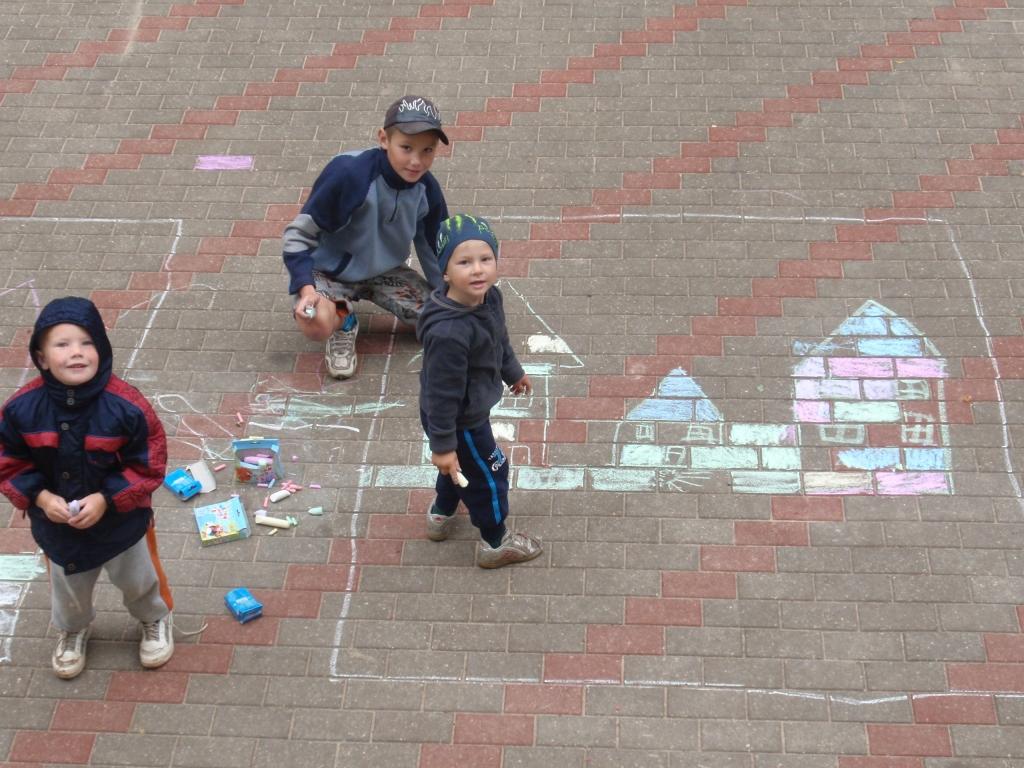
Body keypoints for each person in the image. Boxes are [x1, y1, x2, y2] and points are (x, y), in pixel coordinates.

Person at [0, 297, 173, 679]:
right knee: (69, 589)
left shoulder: (127, 407)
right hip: (57, 526)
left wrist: (106, 498)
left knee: (139, 581)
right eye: (62, 345)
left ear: (102, 349)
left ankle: (155, 619)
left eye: (86, 342)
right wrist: (41, 498)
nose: (76, 353)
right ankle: (73, 630)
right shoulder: (21, 409)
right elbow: (8, 462)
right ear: (41, 358)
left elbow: (149, 464)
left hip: (123, 525)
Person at [282, 94, 450, 379]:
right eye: (406, 147)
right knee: (316, 323)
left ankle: (433, 313)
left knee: (444, 323)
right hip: (329, 271)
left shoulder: (426, 188)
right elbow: (297, 237)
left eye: (427, 151)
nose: (416, 161)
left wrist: (449, 298)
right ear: (384, 139)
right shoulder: (349, 175)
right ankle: (343, 321)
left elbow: (435, 246)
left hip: (383, 271)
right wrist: (305, 288)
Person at [417, 214, 543, 568]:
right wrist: (443, 445)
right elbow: (441, 396)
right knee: (492, 474)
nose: (477, 270)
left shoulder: (489, 298)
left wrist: (512, 371)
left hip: (466, 414)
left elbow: (498, 339)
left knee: (461, 470)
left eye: (485, 259)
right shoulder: (449, 334)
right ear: (444, 272)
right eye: (464, 262)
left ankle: (441, 514)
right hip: (458, 422)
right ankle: (494, 541)